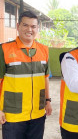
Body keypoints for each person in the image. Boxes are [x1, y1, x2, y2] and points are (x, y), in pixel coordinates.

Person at [0, 11, 52, 139]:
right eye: (25, 25)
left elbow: (45, 78)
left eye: (33, 26)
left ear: (37, 28)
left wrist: (47, 100)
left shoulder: (44, 50)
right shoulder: (4, 50)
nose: (29, 29)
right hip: (13, 114)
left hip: (38, 113)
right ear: (18, 26)